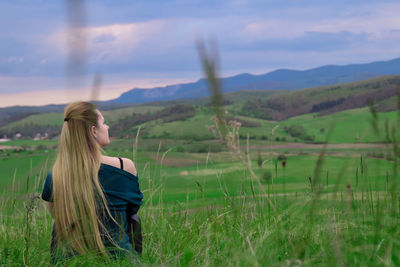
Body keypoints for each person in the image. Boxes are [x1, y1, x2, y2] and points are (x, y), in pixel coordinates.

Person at [41, 101, 143, 261]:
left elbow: (56, 215)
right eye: (104, 123)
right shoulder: (124, 167)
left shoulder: (55, 176)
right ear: (93, 130)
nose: (107, 127)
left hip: (72, 263)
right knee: (134, 219)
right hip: (119, 261)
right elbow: (133, 209)